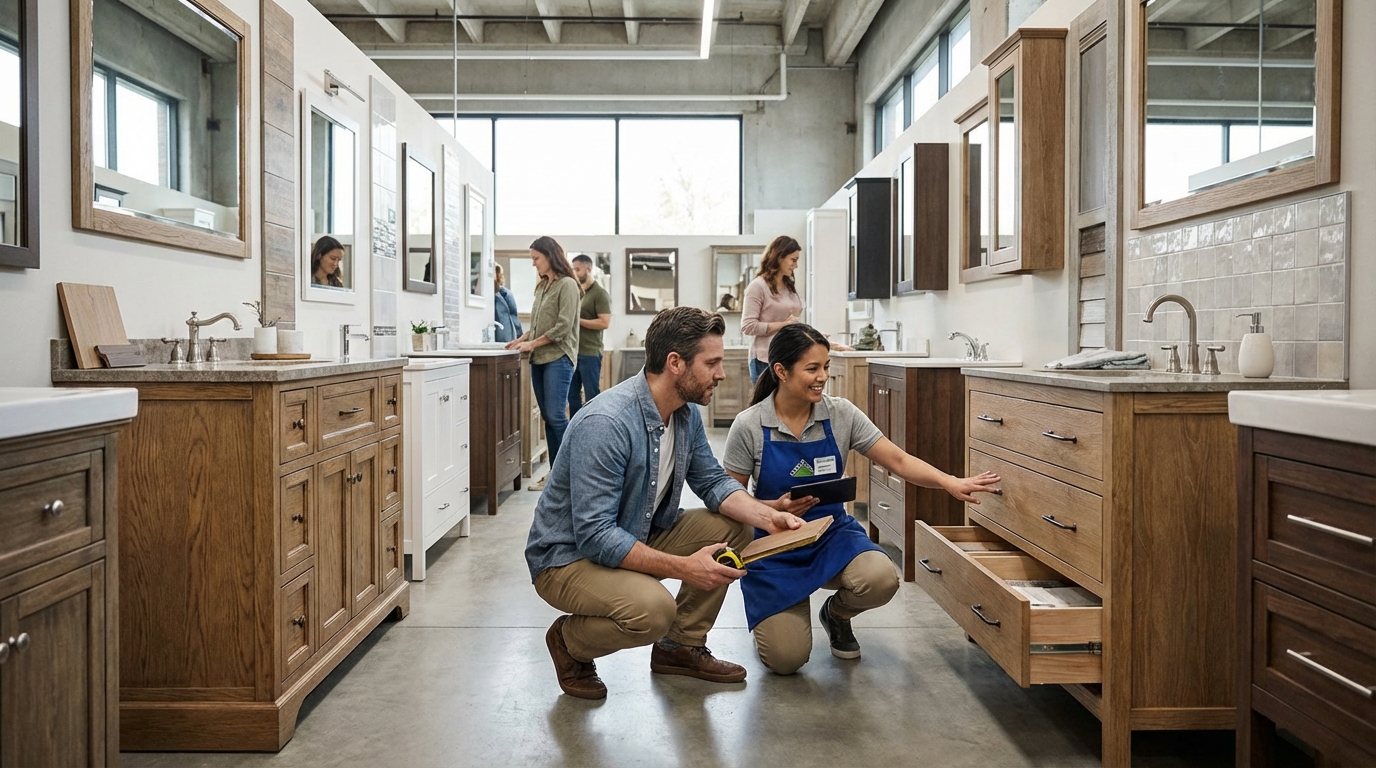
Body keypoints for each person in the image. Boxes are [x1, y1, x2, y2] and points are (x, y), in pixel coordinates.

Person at [525, 307, 810, 700]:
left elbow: (711, 481)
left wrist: (768, 515)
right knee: (655, 611)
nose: (721, 373)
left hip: (634, 532)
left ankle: (681, 648)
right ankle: (569, 642)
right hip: (567, 558)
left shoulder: (684, 414)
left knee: (732, 527)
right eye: (711, 363)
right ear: (675, 364)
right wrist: (684, 568)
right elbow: (595, 536)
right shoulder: (607, 424)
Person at [723, 323, 1002, 675]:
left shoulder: (840, 414)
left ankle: (836, 615)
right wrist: (774, 508)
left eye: (825, 366)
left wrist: (949, 482)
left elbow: (898, 460)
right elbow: (728, 499)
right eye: (812, 368)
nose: (823, 376)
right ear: (780, 371)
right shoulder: (749, 425)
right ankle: (782, 615)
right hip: (776, 544)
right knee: (785, 660)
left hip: (830, 534)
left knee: (881, 579)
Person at [506, 236, 582, 492]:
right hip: (540, 359)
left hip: (558, 358)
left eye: (536, 258)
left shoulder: (568, 285)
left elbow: (562, 327)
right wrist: (522, 339)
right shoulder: (542, 287)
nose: (534, 264)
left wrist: (532, 344)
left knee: (555, 416)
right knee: (551, 419)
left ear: (550, 256)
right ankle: (556, 474)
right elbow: (539, 323)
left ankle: (567, 474)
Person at [740, 236, 804, 383]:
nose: (796, 265)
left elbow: (793, 321)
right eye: (793, 260)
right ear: (779, 257)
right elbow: (748, 326)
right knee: (769, 405)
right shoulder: (758, 287)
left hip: (788, 358)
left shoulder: (789, 287)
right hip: (764, 361)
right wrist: (783, 325)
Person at [567, 254, 612, 417]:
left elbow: (604, 323)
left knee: (592, 396)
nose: (575, 272)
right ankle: (575, 430)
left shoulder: (600, 294)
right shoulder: (576, 292)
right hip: (572, 353)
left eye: (577, 269)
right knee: (572, 397)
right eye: (573, 269)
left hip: (590, 354)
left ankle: (594, 430)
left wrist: (578, 321)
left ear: (588, 269)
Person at [493, 264, 522, 343]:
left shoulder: (496, 294)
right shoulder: (506, 293)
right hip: (506, 333)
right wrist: (520, 336)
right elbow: (514, 316)